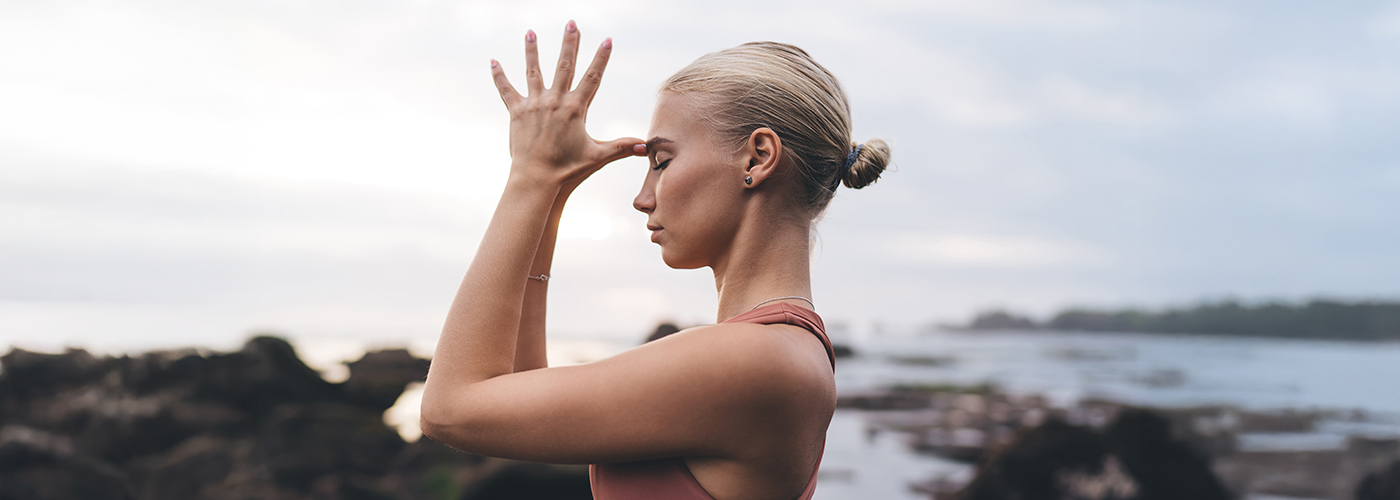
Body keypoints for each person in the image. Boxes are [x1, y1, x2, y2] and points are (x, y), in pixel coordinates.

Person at [419, 20, 890, 500]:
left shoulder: (760, 360)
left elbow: (450, 410)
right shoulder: (777, 351)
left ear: (757, 158)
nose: (643, 198)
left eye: (661, 162)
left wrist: (531, 174)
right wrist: (552, 193)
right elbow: (515, 396)